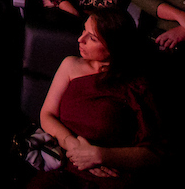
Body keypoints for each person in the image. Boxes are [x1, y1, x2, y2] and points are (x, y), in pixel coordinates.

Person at [32, 10, 162, 187]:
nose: (80, 39)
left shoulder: (136, 85)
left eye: (92, 38)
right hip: (64, 161)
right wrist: (74, 147)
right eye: (83, 30)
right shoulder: (70, 65)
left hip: (109, 173)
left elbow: (155, 153)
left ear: (113, 47)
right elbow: (46, 114)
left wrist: (99, 156)